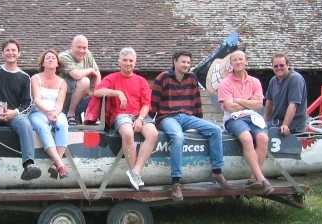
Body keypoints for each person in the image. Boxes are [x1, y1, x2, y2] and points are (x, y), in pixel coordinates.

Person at [151, 50, 231, 200]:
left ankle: (217, 171)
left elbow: (196, 101)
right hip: (167, 117)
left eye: (188, 62)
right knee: (177, 136)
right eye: (183, 62)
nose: (186, 65)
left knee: (215, 130)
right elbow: (153, 101)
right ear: (174, 61)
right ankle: (176, 182)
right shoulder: (163, 77)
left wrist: (200, 121)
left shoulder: (192, 78)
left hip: (187, 117)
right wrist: (151, 121)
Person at [0, 39, 41, 184]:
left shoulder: (24, 77)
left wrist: (14, 112)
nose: (11, 53)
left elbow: (27, 103)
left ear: (19, 53)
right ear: (3, 53)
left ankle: (29, 165)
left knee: (25, 124)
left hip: (13, 115)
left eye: (13, 50)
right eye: (8, 50)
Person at [94, 47, 158, 190]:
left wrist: (140, 119)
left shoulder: (141, 81)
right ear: (119, 62)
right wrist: (117, 92)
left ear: (135, 63)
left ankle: (135, 171)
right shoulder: (111, 78)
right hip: (121, 115)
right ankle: (135, 174)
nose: (128, 63)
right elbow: (97, 92)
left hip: (139, 114)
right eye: (125, 60)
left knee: (153, 134)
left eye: (131, 60)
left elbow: (146, 104)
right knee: (128, 133)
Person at [218, 50, 273, 194]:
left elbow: (259, 104)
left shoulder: (255, 81)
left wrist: (239, 100)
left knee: (263, 138)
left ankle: (253, 177)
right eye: (234, 60)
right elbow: (229, 107)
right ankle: (262, 179)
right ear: (231, 64)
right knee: (247, 138)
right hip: (233, 118)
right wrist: (249, 102)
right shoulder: (225, 82)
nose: (238, 62)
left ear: (246, 61)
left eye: (240, 59)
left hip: (252, 117)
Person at [29, 49, 70, 179]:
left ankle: (54, 166)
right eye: (47, 58)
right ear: (43, 63)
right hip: (38, 111)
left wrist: (55, 114)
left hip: (55, 112)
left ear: (57, 63)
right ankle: (60, 164)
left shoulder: (62, 82)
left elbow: (60, 103)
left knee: (63, 125)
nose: (51, 59)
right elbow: (37, 99)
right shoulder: (35, 78)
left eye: (53, 57)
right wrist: (47, 112)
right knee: (43, 127)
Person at [59, 35, 101, 125]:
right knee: (85, 81)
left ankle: (92, 115)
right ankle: (70, 114)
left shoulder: (88, 54)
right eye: (79, 47)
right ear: (72, 46)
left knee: (104, 91)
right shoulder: (63, 56)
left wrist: (95, 93)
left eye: (84, 48)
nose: (82, 51)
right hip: (64, 97)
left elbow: (97, 74)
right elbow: (77, 75)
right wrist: (90, 70)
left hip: (80, 97)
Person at [265, 53, 308, 135]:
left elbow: (293, 105)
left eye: (281, 65)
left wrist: (285, 125)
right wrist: (265, 122)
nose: (279, 68)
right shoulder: (273, 80)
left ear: (288, 65)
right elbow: (269, 103)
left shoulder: (295, 79)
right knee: (256, 130)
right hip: (276, 123)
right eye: (276, 66)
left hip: (293, 125)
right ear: (272, 67)